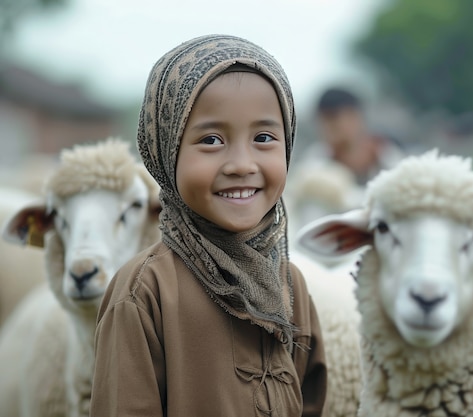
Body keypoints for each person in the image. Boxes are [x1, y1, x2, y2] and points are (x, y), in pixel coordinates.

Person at [90, 34, 327, 416]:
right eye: (212, 139)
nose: (241, 164)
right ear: (167, 151)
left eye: (264, 138)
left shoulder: (288, 283)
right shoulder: (144, 292)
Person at [309, 86, 405, 186]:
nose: (327, 127)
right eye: (322, 121)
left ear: (355, 117)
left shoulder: (388, 158)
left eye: (332, 118)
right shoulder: (315, 165)